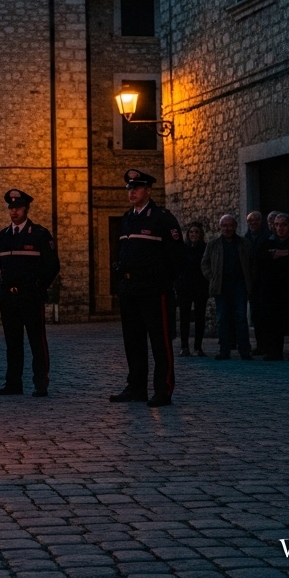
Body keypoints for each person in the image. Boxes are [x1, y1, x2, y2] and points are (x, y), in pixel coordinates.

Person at [110, 169, 182, 408]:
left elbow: (175, 257)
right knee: (133, 340)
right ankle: (136, 387)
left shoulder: (162, 218)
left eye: (137, 188)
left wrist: (163, 282)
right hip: (130, 289)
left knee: (159, 341)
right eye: (129, 189)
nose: (132, 192)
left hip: (153, 289)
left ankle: (163, 388)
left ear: (148, 191)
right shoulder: (127, 218)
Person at [0, 189, 60, 397]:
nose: (14, 212)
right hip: (9, 298)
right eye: (11, 208)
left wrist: (39, 286)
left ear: (26, 209)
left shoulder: (39, 234)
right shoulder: (3, 236)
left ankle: (41, 383)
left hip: (31, 296)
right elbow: (2, 264)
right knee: (13, 342)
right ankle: (13, 383)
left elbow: (52, 266)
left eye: (18, 208)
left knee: (36, 340)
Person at [202, 214, 254, 360]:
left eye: (230, 225)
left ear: (235, 226)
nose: (227, 228)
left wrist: (249, 279)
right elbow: (204, 263)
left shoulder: (244, 244)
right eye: (224, 226)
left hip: (239, 286)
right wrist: (212, 277)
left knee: (241, 318)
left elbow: (251, 263)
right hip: (221, 287)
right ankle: (224, 350)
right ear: (220, 227)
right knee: (222, 318)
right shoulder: (213, 244)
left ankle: (244, 350)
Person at [258, 213, 289, 360]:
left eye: (283, 225)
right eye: (277, 225)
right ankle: (274, 351)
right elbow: (260, 258)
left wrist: (276, 255)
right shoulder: (268, 241)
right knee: (273, 321)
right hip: (272, 288)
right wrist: (276, 253)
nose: (280, 228)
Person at [175, 222, 208, 357]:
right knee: (184, 317)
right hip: (185, 286)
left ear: (200, 234)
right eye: (191, 232)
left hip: (200, 286)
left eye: (196, 232)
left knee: (200, 317)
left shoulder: (205, 249)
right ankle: (184, 346)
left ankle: (198, 347)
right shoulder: (182, 249)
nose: (194, 234)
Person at [244, 211, 271, 356]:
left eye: (256, 221)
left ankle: (267, 345)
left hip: (265, 282)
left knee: (265, 315)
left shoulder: (268, 237)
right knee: (256, 316)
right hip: (252, 283)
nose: (253, 224)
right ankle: (260, 344)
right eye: (250, 221)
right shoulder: (246, 239)